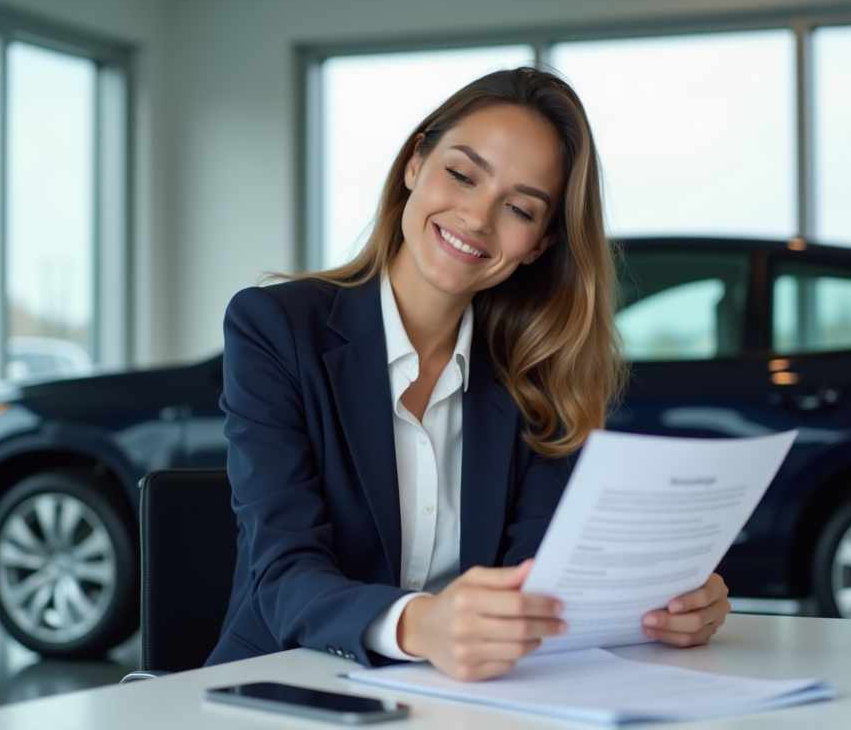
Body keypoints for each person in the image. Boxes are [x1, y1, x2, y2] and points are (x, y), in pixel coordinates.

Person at [207, 67, 730, 681]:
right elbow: (282, 574)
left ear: (540, 243)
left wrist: (666, 602)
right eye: (461, 174)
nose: (478, 218)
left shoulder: (535, 374)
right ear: (414, 161)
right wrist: (421, 624)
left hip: (468, 700)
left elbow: (543, 577)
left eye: (519, 208)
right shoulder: (275, 326)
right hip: (285, 684)